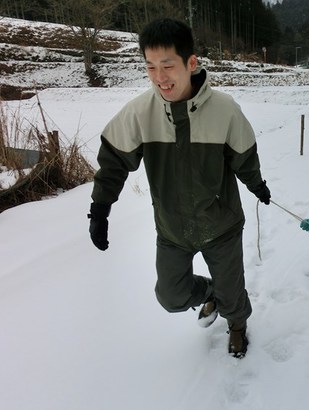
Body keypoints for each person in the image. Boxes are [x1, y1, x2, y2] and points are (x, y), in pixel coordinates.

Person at [87, 18, 271, 358]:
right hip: (172, 229)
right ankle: (210, 292)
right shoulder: (140, 112)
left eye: (168, 65)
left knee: (234, 297)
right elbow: (113, 161)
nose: (160, 77)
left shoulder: (225, 110)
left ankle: (237, 326)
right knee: (170, 297)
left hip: (221, 225)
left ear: (191, 63)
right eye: (151, 67)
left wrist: (257, 185)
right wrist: (100, 209)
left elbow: (245, 156)